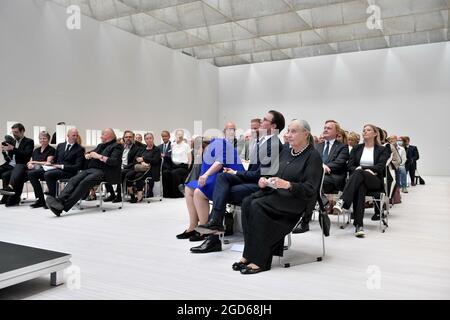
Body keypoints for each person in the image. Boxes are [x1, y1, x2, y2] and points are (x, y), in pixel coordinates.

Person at [232, 119, 322, 274]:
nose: (288, 134)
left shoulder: (313, 156)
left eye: (293, 131)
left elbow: (310, 189)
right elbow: (275, 173)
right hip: (277, 194)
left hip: (296, 200)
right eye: (288, 131)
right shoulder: (286, 151)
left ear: (305, 134)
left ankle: (261, 260)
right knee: (247, 202)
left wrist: (288, 185)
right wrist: (265, 180)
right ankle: (249, 254)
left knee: (257, 205)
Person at [191, 110, 285, 254]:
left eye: (264, 119)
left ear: (273, 126)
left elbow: (261, 174)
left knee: (222, 191)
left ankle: (213, 237)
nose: (261, 122)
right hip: (253, 180)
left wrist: (237, 173)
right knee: (222, 177)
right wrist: (235, 173)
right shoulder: (263, 142)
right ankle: (215, 225)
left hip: (262, 185)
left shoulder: (274, 144)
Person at [176, 133, 244, 242]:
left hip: (232, 178)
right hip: (219, 176)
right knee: (189, 187)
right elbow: (205, 171)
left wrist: (206, 176)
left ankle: (204, 228)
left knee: (199, 191)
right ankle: (193, 226)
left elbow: (219, 163)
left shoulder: (218, 143)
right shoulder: (208, 149)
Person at [45, 128, 123, 216]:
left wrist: (99, 156)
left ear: (109, 135)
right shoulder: (101, 145)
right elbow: (91, 152)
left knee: (84, 183)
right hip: (91, 170)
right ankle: (59, 200)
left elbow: (114, 162)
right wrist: (87, 154)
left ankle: (63, 207)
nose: (101, 137)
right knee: (74, 180)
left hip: (104, 172)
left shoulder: (117, 146)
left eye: (103, 134)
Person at [333, 124, 391, 237]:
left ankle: (343, 201)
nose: (365, 132)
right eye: (364, 130)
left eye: (368, 130)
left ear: (375, 133)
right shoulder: (357, 148)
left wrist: (363, 168)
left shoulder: (382, 150)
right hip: (359, 181)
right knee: (360, 187)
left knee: (359, 172)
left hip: (375, 181)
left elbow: (380, 167)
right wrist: (363, 170)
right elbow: (350, 166)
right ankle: (359, 226)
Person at [295, 120, 349, 233]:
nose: (325, 129)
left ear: (337, 132)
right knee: (310, 185)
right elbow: (308, 160)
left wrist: (324, 167)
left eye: (329, 128)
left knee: (312, 185)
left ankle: (304, 221)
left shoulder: (342, 147)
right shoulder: (317, 146)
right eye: (324, 127)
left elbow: (340, 163)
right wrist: (321, 165)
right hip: (318, 180)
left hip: (333, 179)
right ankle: (321, 200)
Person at [33, 128, 85, 201]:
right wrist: (50, 163)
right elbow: (55, 159)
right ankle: (40, 199)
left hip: (69, 172)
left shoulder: (80, 149)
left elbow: (78, 166)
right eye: (73, 135)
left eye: (76, 135)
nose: (75, 137)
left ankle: (52, 199)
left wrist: (62, 166)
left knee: (48, 174)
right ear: (68, 135)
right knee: (32, 174)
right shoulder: (60, 145)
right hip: (55, 169)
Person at [0, 123, 34, 206]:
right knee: (3, 172)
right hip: (10, 165)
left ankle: (8, 196)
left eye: (16, 132)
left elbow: (26, 155)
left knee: (5, 175)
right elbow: (9, 159)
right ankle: (6, 195)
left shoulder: (29, 141)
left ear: (22, 131)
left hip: (21, 165)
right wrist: (4, 152)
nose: (14, 134)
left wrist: (13, 148)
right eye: (13, 132)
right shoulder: (13, 142)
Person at [104, 130, 141, 203]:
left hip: (130, 168)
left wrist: (124, 167)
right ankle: (112, 194)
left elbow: (135, 161)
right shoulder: (120, 147)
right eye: (126, 137)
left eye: (130, 137)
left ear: (133, 138)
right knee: (106, 172)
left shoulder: (137, 148)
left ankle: (119, 196)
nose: (128, 138)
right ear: (124, 138)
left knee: (120, 172)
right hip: (119, 166)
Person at [125, 132, 161, 203]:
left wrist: (144, 159)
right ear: (145, 140)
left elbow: (155, 160)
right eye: (147, 139)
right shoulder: (143, 148)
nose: (149, 140)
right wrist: (142, 162)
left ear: (153, 139)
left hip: (151, 169)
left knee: (138, 176)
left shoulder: (156, 149)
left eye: (150, 138)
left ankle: (139, 195)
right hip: (140, 167)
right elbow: (137, 157)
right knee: (128, 175)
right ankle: (132, 195)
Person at [26, 131, 56, 208]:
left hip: (46, 169)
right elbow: (30, 160)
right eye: (40, 138)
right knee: (24, 172)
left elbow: (48, 162)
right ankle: (15, 196)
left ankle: (41, 199)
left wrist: (35, 162)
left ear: (48, 139)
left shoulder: (51, 150)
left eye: (44, 138)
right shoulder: (36, 150)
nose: (42, 140)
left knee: (31, 174)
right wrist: (29, 164)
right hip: (35, 170)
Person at [162, 129, 192, 198]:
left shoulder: (186, 145)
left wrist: (188, 167)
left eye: (181, 135)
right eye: (178, 135)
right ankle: (166, 194)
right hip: (174, 165)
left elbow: (189, 158)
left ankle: (177, 194)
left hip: (183, 166)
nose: (179, 136)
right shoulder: (173, 145)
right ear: (175, 136)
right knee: (166, 172)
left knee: (174, 173)